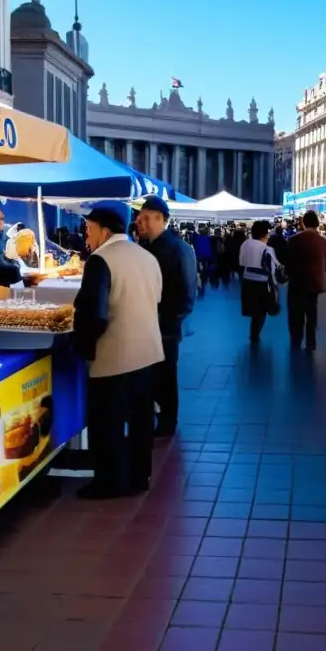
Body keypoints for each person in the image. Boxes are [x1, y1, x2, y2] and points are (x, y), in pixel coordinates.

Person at [72, 206, 164, 499]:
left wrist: (84, 347)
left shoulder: (100, 261)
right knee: (139, 420)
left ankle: (108, 482)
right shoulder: (147, 256)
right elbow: (157, 298)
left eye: (89, 229)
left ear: (105, 231)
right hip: (148, 351)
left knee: (106, 422)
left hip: (115, 354)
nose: (87, 236)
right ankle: (139, 476)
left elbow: (94, 314)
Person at [135, 195, 198, 439]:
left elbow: (187, 293)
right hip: (148, 325)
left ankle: (167, 421)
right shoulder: (147, 247)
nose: (141, 223)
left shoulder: (177, 249)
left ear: (162, 220)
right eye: (140, 218)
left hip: (164, 327)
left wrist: (168, 323)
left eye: (148, 219)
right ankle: (156, 418)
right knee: (153, 376)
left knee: (165, 375)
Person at [286, 210, 326, 351]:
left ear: (303, 222)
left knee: (295, 313)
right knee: (311, 313)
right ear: (317, 224)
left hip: (297, 281)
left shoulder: (294, 239)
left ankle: (296, 340)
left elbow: (288, 261)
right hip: (315, 282)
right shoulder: (324, 241)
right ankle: (311, 343)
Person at [239, 220, 283, 344]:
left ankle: (253, 334)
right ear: (264, 234)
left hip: (247, 280)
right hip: (262, 283)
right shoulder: (267, 249)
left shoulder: (245, 244)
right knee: (261, 311)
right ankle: (255, 335)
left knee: (253, 310)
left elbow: (241, 262)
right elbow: (273, 268)